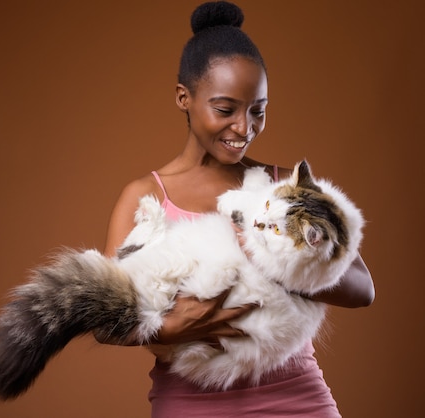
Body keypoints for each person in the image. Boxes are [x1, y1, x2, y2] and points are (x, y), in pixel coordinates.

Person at [98, 2, 375, 417]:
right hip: (193, 400)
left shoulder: (284, 187)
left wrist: (266, 253)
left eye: (258, 111)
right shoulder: (143, 196)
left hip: (297, 394)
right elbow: (104, 318)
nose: (244, 128)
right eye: (225, 110)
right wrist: (174, 327)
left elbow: (362, 289)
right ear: (184, 98)